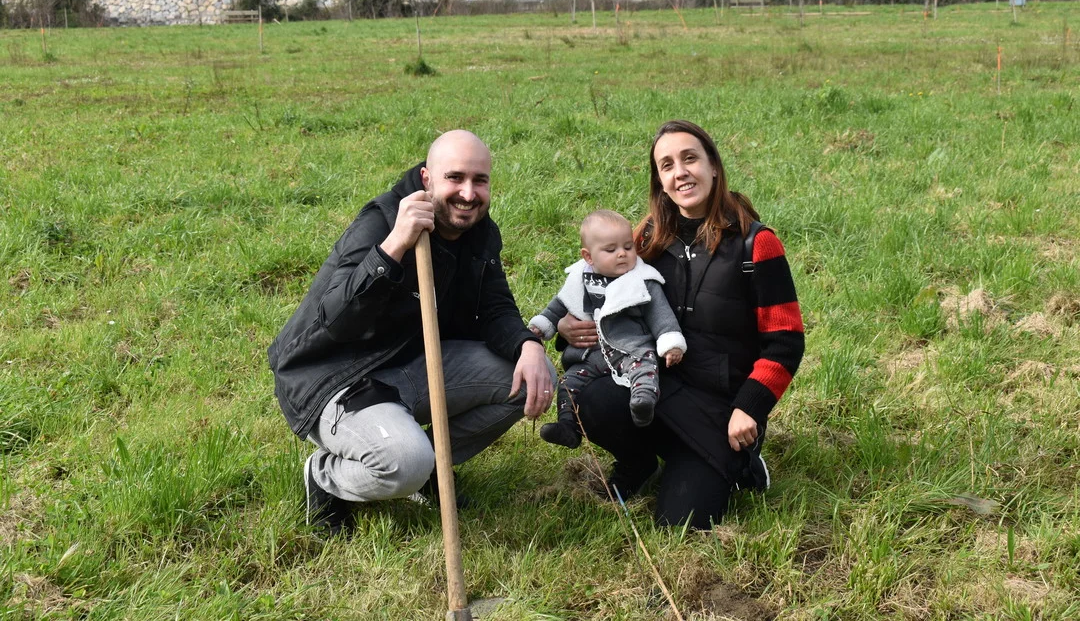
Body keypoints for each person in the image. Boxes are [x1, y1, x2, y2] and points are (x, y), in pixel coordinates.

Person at [268, 130, 556, 535]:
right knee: (404, 464)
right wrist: (393, 248)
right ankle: (326, 476)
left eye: (480, 180)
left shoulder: (479, 231)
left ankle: (430, 470)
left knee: (532, 376)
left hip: (413, 364)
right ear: (427, 178)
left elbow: (495, 307)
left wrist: (528, 345)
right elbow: (336, 320)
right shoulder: (382, 222)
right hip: (336, 376)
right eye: (455, 178)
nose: (468, 193)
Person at [558, 120, 804, 529]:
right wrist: (569, 325)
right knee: (590, 397)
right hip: (657, 389)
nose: (681, 172)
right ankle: (639, 463)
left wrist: (748, 408)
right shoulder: (644, 240)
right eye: (667, 165)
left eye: (690, 158)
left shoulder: (756, 244)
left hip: (720, 411)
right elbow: (599, 295)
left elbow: (786, 342)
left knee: (679, 524)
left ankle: (739, 462)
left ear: (713, 167)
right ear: (660, 180)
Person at [528, 210, 686, 448]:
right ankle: (568, 426)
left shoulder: (641, 281)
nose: (622, 254)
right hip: (590, 355)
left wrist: (671, 343)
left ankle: (643, 404)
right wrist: (542, 325)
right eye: (611, 250)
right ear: (588, 257)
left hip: (630, 349)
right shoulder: (580, 278)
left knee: (645, 369)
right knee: (569, 384)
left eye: (628, 247)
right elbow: (560, 305)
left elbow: (660, 314)